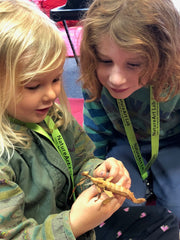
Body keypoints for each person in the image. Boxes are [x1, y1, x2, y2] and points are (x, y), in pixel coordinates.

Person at [0, 0, 178, 239]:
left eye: (56, 80)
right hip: (56, 226)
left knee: (172, 213)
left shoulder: (53, 117)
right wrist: (73, 224)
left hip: (169, 145)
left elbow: (83, 157)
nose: (53, 95)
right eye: (34, 86)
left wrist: (99, 170)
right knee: (125, 208)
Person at [79, 0, 180, 227]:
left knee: (177, 210)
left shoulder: (175, 77)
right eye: (105, 61)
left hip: (172, 143)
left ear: (164, 57)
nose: (116, 79)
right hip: (124, 143)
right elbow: (96, 131)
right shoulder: (95, 79)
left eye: (133, 64)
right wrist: (94, 167)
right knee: (119, 208)